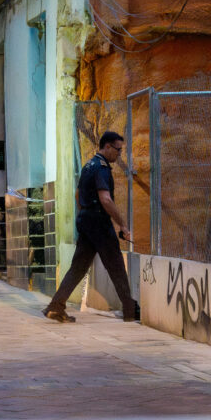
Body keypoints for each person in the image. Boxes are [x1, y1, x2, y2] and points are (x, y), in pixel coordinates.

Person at [43, 131, 140, 323]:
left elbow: (78, 194)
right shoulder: (102, 168)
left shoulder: (89, 165)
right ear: (107, 147)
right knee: (116, 265)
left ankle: (56, 306)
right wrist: (123, 224)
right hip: (98, 222)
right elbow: (106, 199)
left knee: (78, 267)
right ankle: (130, 310)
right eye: (117, 150)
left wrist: (85, 214)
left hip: (86, 219)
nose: (119, 154)